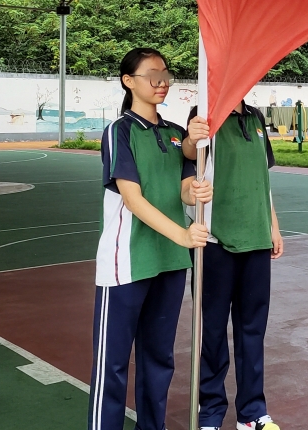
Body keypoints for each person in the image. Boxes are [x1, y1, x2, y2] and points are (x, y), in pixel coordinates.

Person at [88, 48, 213, 430]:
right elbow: (133, 198)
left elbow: (181, 189)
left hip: (170, 263)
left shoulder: (174, 133)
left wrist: (194, 191)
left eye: (166, 75)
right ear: (129, 81)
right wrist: (183, 234)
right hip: (127, 262)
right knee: (112, 364)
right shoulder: (120, 132)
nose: (162, 82)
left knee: (159, 359)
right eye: (152, 75)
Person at [188, 101, 284, 430]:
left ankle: (252, 412)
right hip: (217, 241)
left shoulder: (256, 117)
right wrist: (190, 137)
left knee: (252, 331)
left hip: (256, 239)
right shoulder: (205, 113)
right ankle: (211, 412)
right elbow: (189, 156)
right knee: (212, 331)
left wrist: (272, 225)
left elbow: (262, 179)